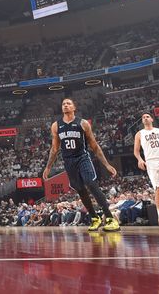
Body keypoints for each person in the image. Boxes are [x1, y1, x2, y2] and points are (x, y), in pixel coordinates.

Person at [43, 98, 120, 232]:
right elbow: (54, 149)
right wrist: (48, 167)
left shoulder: (83, 123)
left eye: (68, 103)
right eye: (63, 104)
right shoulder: (56, 125)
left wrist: (107, 165)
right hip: (68, 161)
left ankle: (110, 218)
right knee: (80, 190)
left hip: (82, 158)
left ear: (74, 107)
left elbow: (94, 146)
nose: (65, 105)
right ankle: (94, 218)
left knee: (90, 183)